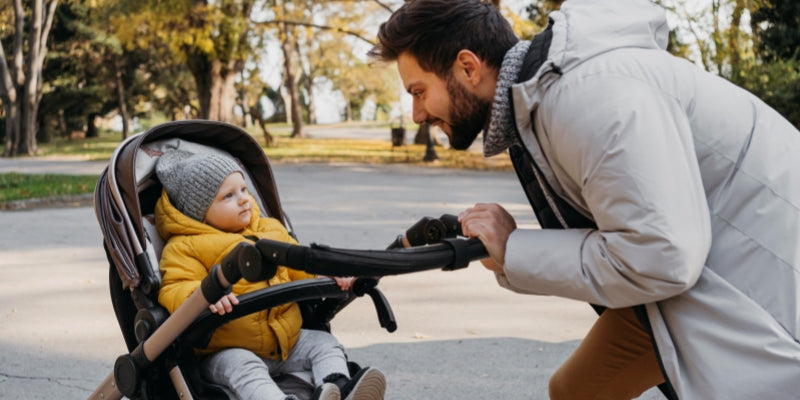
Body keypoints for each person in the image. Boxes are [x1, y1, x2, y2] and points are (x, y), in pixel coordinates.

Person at [369, 0, 800, 399]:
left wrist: (515, 248)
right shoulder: (540, 103)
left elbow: (661, 256)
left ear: (467, 67)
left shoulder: (586, 97)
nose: (417, 115)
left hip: (765, 285)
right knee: (578, 390)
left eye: (419, 91)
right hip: (699, 274)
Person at [154, 148, 386, 400]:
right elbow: (174, 287)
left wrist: (328, 274)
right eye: (228, 196)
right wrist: (202, 296)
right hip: (225, 350)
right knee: (245, 368)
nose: (244, 199)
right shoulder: (186, 246)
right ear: (199, 211)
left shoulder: (270, 229)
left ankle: (339, 387)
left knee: (323, 343)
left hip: (286, 342)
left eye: (244, 189)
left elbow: (300, 266)